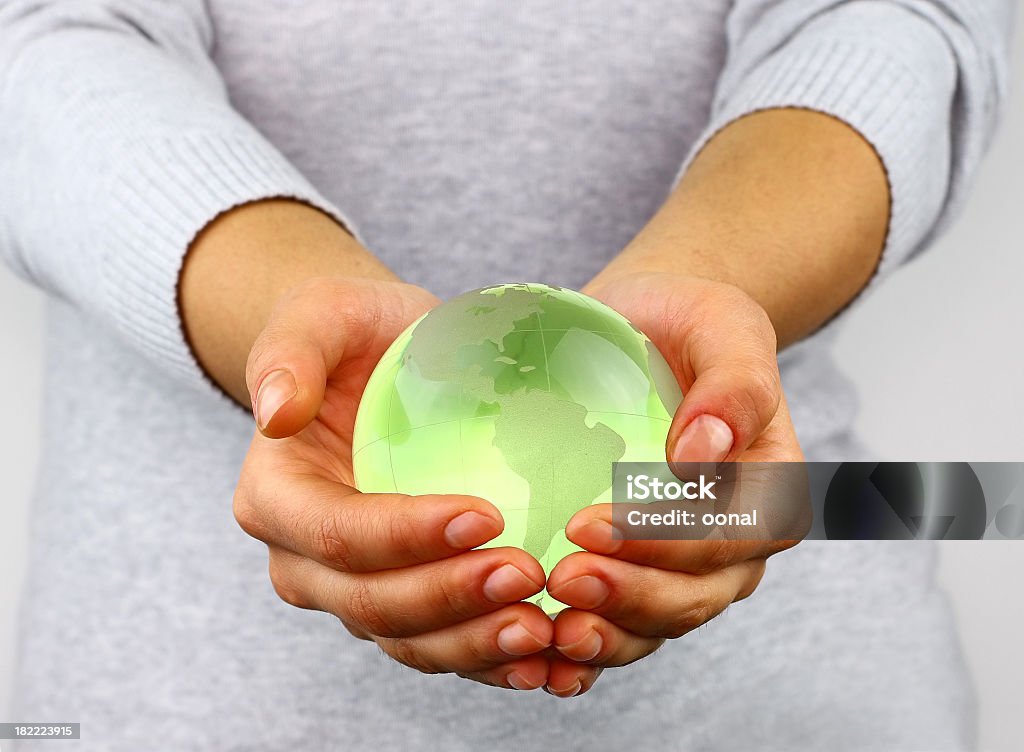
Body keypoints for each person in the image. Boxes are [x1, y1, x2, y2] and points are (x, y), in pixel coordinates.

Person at [0, 1, 1012, 749]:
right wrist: (285, 310)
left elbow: (904, 21)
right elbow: (39, 43)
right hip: (179, 699)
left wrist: (708, 281)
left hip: (791, 691)